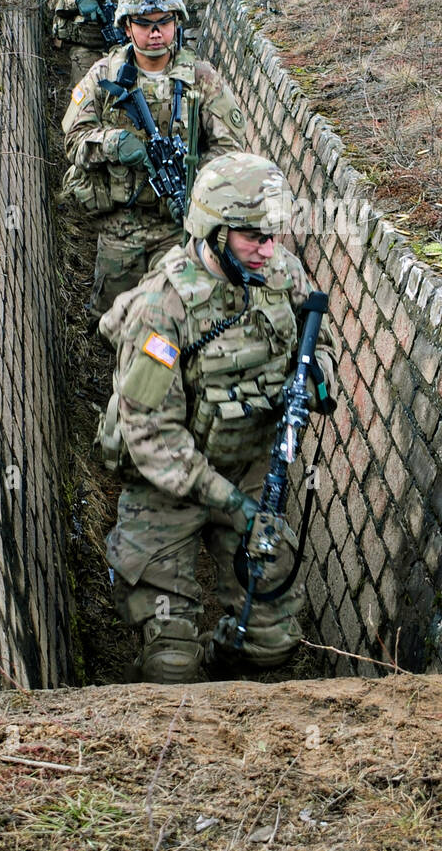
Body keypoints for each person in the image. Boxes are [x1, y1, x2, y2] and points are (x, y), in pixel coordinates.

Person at [98, 151, 337, 683]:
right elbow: (150, 431)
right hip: (171, 491)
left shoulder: (279, 274)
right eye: (253, 236)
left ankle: (222, 659)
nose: (268, 249)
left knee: (272, 643)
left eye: (273, 235)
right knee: (170, 665)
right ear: (214, 230)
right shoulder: (162, 310)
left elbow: (317, 341)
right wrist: (230, 505)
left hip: (251, 478)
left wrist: (318, 380)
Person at [62, 0, 246, 319]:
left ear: (176, 24)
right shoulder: (105, 75)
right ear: (127, 27)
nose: (155, 32)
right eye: (144, 24)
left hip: (179, 227)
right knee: (111, 318)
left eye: (164, 22)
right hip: (121, 224)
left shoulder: (202, 79)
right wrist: (113, 143)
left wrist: (195, 178)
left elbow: (230, 151)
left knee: (177, 316)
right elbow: (74, 140)